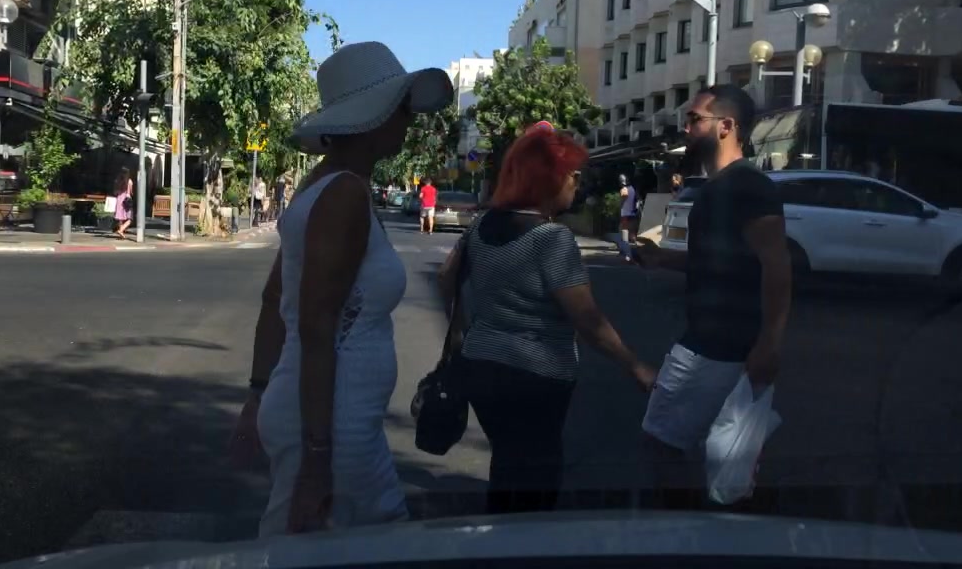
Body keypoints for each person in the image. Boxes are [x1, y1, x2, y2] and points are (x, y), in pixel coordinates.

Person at [229, 41, 454, 535]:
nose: (409, 120)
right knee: (352, 539)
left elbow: (276, 299)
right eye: (402, 108)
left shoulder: (322, 184)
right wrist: (317, 457)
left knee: (319, 541)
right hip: (336, 422)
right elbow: (316, 326)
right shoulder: (344, 194)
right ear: (375, 116)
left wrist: (259, 394)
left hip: (326, 415)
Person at [438, 128, 656, 515]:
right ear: (549, 179)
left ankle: (500, 533)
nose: (577, 183)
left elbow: (446, 278)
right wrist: (635, 366)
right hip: (534, 376)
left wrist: (459, 331)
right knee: (537, 480)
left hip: (481, 365)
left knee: (507, 463)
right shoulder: (551, 239)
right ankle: (525, 541)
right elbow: (587, 320)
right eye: (573, 175)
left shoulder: (482, 224)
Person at [636, 84, 792, 500]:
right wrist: (661, 258)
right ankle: (708, 522)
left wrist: (770, 344)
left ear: (726, 126)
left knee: (661, 441)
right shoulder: (716, 187)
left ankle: (685, 528)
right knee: (714, 453)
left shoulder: (749, 186)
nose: (686, 128)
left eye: (694, 119)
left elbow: (777, 267)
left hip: (717, 345)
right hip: (713, 341)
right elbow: (718, 260)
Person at [618, 174, 639, 263]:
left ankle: (627, 253)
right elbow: (637, 201)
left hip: (625, 214)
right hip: (632, 214)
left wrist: (621, 204)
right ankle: (636, 250)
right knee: (632, 234)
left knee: (623, 232)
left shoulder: (624, 189)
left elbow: (624, 196)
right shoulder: (633, 189)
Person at [113, 167, 133, 239]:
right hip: (127, 200)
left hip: (119, 199)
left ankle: (121, 234)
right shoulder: (129, 181)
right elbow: (131, 192)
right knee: (130, 218)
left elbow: (115, 192)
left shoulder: (117, 181)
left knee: (120, 218)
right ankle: (121, 230)